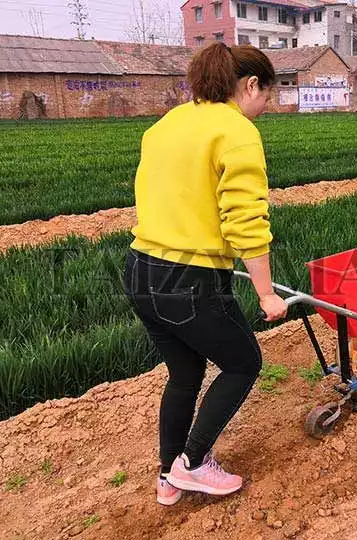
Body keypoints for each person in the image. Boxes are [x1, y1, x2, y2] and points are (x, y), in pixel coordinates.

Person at [123, 42, 288, 506]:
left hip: (140, 270)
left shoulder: (168, 123)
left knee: (185, 371)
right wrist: (266, 293)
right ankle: (193, 463)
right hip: (189, 281)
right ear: (250, 85)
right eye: (266, 96)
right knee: (243, 363)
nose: (264, 108)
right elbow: (246, 221)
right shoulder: (235, 131)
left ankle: (167, 475)